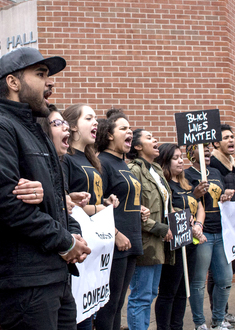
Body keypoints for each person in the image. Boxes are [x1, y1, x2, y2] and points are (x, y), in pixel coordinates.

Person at [0, 47, 91, 330]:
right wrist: (65, 242)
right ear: (13, 83)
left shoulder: (37, 133)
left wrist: (71, 231)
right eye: (40, 74)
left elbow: (50, 201)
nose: (48, 83)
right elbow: (9, 205)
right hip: (23, 284)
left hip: (55, 277)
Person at [61, 103, 118, 330]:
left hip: (97, 247)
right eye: (89, 118)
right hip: (79, 243)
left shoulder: (91, 159)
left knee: (93, 310)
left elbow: (91, 199)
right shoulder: (66, 159)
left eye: (96, 118)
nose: (96, 122)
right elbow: (66, 203)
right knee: (80, 314)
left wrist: (105, 203)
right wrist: (98, 210)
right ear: (73, 126)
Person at [93, 108, 144, 330]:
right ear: (110, 135)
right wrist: (115, 234)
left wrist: (138, 208)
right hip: (115, 241)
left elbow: (121, 197)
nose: (129, 131)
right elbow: (97, 204)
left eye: (130, 127)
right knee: (108, 305)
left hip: (131, 239)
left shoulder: (123, 163)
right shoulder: (102, 162)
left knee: (118, 302)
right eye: (123, 128)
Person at [125, 129, 173, 330]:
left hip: (158, 244)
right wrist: (161, 228)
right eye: (149, 138)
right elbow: (133, 211)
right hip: (144, 243)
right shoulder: (134, 170)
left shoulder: (156, 169)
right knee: (140, 297)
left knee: (151, 294)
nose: (155, 140)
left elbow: (164, 205)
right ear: (137, 146)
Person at [155, 143, 205, 330]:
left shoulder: (187, 183)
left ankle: (177, 326)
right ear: (165, 161)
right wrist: (187, 223)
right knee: (169, 291)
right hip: (173, 246)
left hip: (190, 245)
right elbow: (167, 211)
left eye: (181, 157)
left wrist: (198, 225)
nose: (180, 161)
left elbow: (199, 205)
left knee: (184, 291)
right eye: (175, 158)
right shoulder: (164, 186)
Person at [185, 143, 234, 330]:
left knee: (225, 279)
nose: (206, 150)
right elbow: (187, 202)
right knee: (198, 282)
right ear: (191, 153)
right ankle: (200, 323)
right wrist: (195, 194)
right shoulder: (187, 175)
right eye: (201, 148)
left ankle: (218, 319)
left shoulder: (215, 172)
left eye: (208, 148)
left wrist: (225, 196)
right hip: (202, 235)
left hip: (221, 233)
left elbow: (218, 197)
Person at [207, 124, 235, 326]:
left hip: (232, 225)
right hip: (217, 227)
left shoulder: (233, 164)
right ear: (215, 142)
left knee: (228, 270)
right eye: (226, 137)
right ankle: (219, 315)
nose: (231, 140)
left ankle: (224, 312)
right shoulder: (213, 165)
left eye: (232, 136)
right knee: (218, 273)